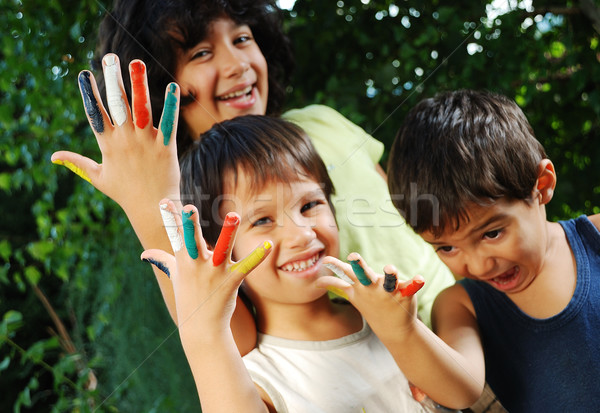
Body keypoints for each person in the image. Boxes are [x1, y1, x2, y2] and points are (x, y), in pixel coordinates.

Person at [51, 0, 454, 346]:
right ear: (163, 84)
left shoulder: (321, 122)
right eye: (200, 54)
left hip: (471, 311)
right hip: (400, 370)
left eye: (242, 38)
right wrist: (150, 202)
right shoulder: (189, 205)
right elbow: (232, 343)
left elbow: (415, 219)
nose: (236, 63)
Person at [141, 115, 433, 412]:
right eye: (263, 220)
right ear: (221, 254)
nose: (303, 234)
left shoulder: (388, 317)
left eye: (310, 205)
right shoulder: (256, 385)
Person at [344, 89, 599, 411]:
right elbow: (459, 391)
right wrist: (400, 328)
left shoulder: (596, 238)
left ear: (542, 185)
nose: (478, 266)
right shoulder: (460, 305)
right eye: (447, 247)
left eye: (492, 233)